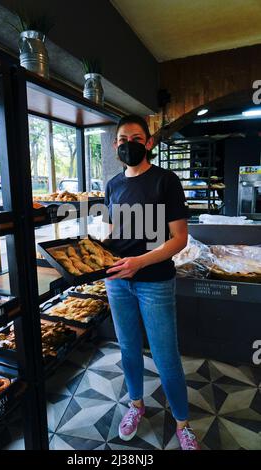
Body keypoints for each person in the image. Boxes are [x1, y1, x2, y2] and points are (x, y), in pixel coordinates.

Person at [102, 115, 200, 450]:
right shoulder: (113, 185)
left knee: (165, 355)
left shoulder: (165, 181)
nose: (128, 143)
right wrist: (95, 252)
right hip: (117, 281)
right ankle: (136, 405)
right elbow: (114, 230)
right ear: (116, 145)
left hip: (154, 282)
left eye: (136, 137)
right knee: (128, 349)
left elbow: (179, 239)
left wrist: (139, 263)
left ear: (148, 143)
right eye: (122, 138)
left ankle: (183, 423)